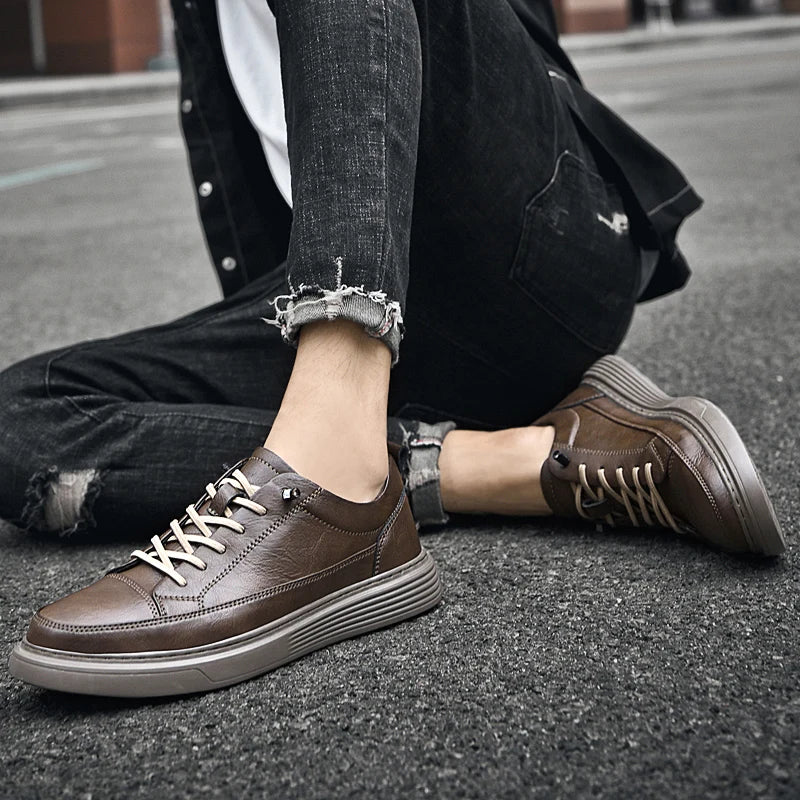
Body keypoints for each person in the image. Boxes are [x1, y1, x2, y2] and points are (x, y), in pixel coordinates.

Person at [2, 0, 783, 697]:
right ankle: (507, 463)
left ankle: (332, 463)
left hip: (527, 261)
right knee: (19, 418)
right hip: (365, 333)